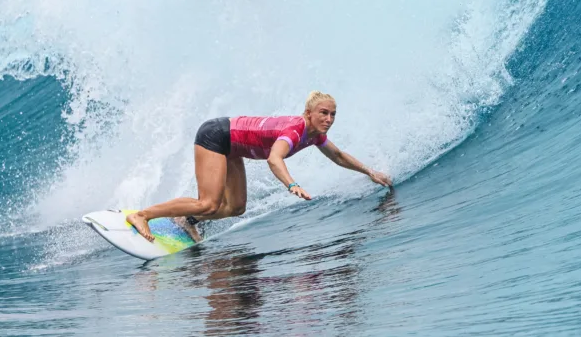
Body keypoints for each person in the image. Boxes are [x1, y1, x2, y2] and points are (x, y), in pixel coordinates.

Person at [126, 91, 392, 242]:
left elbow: (339, 156)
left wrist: (370, 172)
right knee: (209, 202)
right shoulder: (296, 129)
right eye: (324, 112)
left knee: (236, 207)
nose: (329, 118)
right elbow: (274, 159)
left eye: (333, 114)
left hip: (232, 147)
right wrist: (292, 184)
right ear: (309, 113)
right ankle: (143, 215)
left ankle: (187, 219)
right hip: (217, 135)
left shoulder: (315, 136)